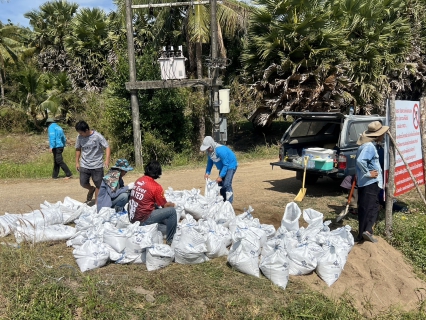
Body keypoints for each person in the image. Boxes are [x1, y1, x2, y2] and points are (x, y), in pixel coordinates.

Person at [355, 121, 389, 243]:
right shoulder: (369, 146)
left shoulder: (366, 145)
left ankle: (365, 232)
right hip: (370, 183)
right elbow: (360, 161)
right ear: (377, 135)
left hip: (367, 183)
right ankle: (365, 233)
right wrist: (368, 173)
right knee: (369, 207)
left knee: (372, 206)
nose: (383, 136)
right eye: (382, 134)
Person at [128, 160, 177, 245]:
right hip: (143, 219)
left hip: (133, 217)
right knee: (172, 212)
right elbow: (165, 206)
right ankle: (170, 240)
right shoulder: (156, 187)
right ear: (158, 172)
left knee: (155, 205)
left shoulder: (139, 180)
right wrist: (174, 204)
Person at [75, 120, 111, 204]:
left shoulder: (97, 136)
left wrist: (107, 159)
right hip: (84, 164)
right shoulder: (79, 137)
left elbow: (107, 147)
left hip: (97, 165)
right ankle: (91, 189)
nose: (80, 134)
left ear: (87, 130)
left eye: (81, 133)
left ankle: (96, 204)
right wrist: (77, 162)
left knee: (99, 185)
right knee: (83, 182)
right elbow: (78, 149)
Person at [200, 136, 238, 203]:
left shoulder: (220, 150)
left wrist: (220, 176)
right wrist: (207, 172)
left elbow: (226, 164)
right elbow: (210, 162)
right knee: (220, 185)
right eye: (207, 148)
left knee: (227, 184)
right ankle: (223, 200)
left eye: (208, 148)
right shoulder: (209, 152)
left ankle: (229, 202)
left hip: (230, 165)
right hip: (223, 167)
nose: (208, 149)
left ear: (212, 145)